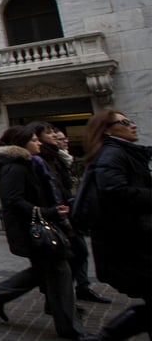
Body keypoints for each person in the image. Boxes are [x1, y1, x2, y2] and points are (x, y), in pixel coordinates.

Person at [0, 126, 91, 340]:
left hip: (46, 224)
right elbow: (13, 200)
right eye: (34, 140)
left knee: (50, 271)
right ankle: (71, 328)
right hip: (34, 231)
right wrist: (47, 211)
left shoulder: (32, 163)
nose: (39, 143)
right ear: (21, 144)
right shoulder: (14, 167)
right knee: (60, 274)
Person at [81, 110, 151, 340]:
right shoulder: (113, 154)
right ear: (107, 129)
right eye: (125, 122)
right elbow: (114, 192)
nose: (132, 125)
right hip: (129, 242)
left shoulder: (123, 153)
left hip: (134, 239)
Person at [31, 121, 110, 304]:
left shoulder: (57, 157)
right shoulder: (40, 160)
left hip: (65, 211)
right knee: (71, 255)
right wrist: (53, 210)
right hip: (57, 214)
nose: (60, 140)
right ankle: (58, 298)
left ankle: (75, 290)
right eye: (51, 135)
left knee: (77, 253)